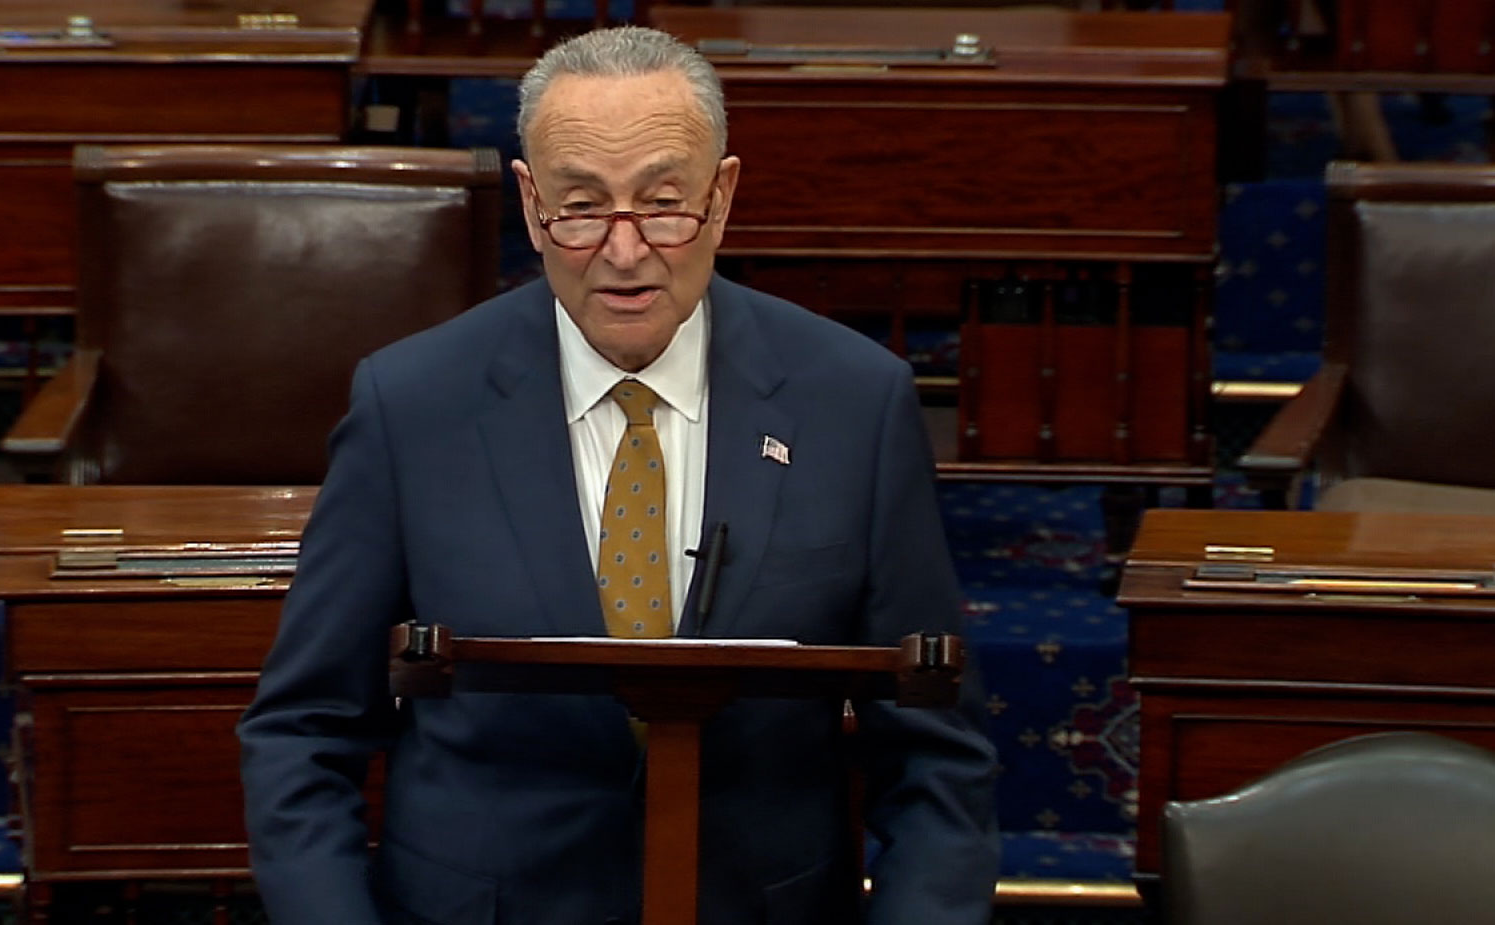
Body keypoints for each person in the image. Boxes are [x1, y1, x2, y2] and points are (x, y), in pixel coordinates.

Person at [238, 25, 997, 925]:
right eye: (583, 206)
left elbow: (937, 751)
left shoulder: (853, 401)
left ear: (722, 197)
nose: (625, 250)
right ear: (529, 203)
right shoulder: (412, 403)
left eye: (663, 203)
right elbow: (304, 730)